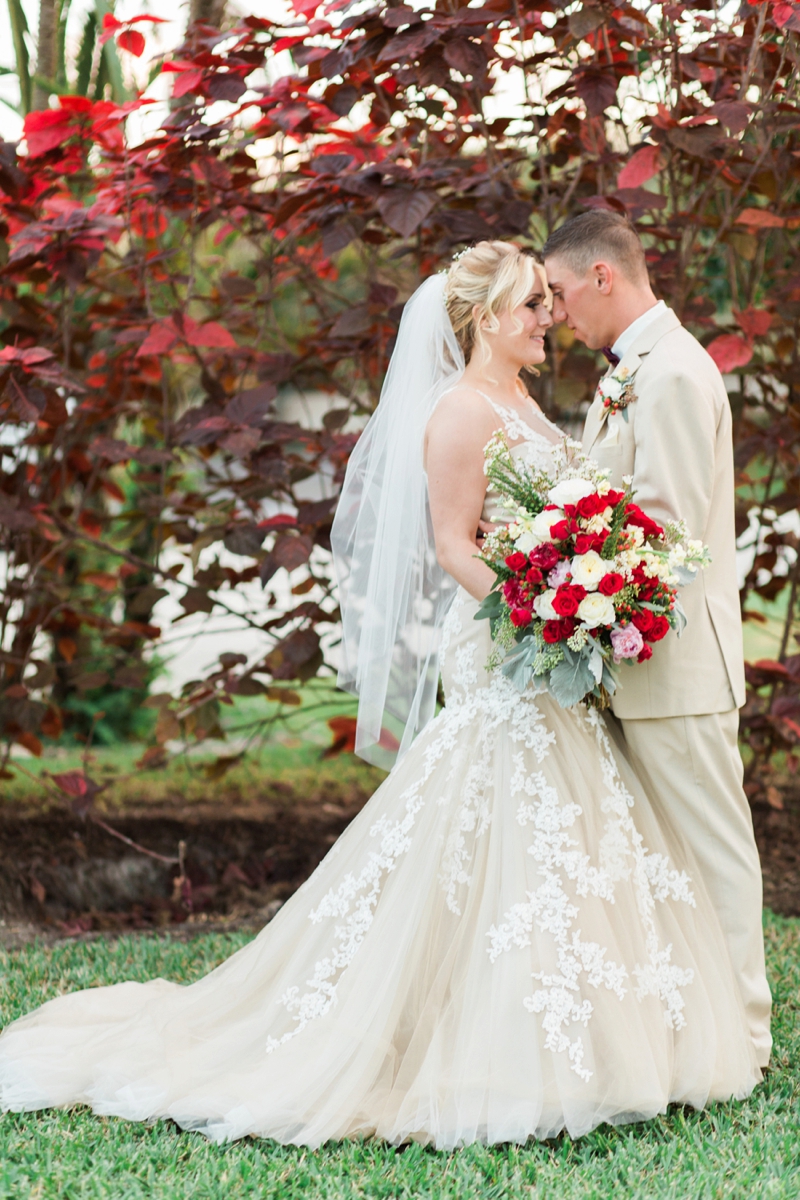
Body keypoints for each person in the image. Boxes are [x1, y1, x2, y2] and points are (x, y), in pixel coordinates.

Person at [0, 242, 762, 1149]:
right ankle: (483, 1039)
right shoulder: (456, 413)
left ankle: (609, 1029)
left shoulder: (530, 402)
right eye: (531, 306)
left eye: (547, 303)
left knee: (577, 838)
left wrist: (575, 600)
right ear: (486, 320)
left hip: (555, 651)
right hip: (508, 647)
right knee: (491, 836)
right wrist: (541, 612)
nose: (547, 318)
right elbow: (452, 544)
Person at [542, 209, 772, 1071]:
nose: (558, 313)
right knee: (661, 856)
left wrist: (575, 596)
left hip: (676, 666)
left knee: (711, 848)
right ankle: (690, 1026)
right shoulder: (634, 369)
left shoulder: (671, 373)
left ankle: (746, 1033)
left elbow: (667, 533)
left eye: (562, 293)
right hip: (638, 663)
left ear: (604, 277)